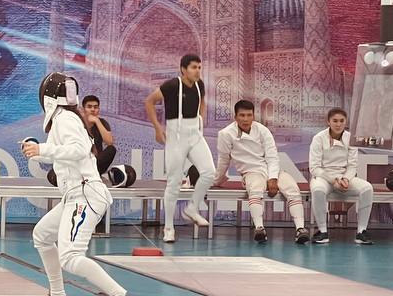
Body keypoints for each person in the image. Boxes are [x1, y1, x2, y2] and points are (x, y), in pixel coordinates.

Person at [25, 75, 139, 296]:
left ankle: (120, 295)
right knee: (42, 235)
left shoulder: (65, 120)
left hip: (85, 195)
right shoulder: (64, 119)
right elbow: (62, 154)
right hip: (75, 195)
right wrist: (37, 151)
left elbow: (78, 151)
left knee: (70, 256)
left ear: (48, 98)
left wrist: (42, 149)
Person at [214, 100, 308, 245]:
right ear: (235, 117)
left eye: (249, 115)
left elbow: (272, 156)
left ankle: (300, 229)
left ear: (253, 116)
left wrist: (273, 178)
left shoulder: (262, 130)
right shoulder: (226, 134)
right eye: (242, 115)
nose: (245, 119)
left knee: (292, 188)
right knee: (255, 189)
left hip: (272, 170)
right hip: (250, 172)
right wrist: (217, 180)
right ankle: (259, 228)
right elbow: (224, 160)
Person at [144, 54, 215, 243]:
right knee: (174, 182)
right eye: (194, 67)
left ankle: (192, 208)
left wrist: (201, 119)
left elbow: (202, 102)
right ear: (183, 69)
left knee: (209, 172)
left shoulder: (200, 85)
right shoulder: (172, 85)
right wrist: (157, 128)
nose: (197, 71)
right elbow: (149, 101)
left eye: (199, 67)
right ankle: (169, 228)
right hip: (176, 135)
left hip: (195, 134)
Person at [307, 108, 374, 245]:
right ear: (328, 122)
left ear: (346, 122)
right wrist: (333, 180)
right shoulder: (319, 138)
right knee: (318, 190)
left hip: (344, 176)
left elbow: (352, 166)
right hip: (324, 177)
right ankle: (322, 232)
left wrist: (345, 179)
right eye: (335, 121)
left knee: (367, 188)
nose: (338, 124)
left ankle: (362, 232)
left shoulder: (351, 138)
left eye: (341, 121)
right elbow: (314, 167)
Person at [82, 94, 117, 175]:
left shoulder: (102, 122)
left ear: (98, 109)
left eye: (95, 107)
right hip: (80, 162)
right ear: (83, 109)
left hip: (96, 164)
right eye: (89, 107)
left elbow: (109, 142)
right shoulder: (77, 122)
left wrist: (97, 121)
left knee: (111, 149)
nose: (92, 109)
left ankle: (93, 174)